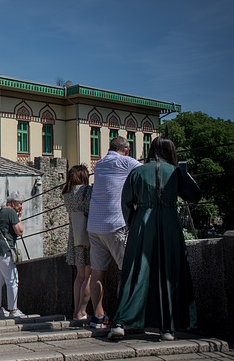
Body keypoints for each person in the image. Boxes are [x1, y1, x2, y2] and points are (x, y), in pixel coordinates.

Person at [108, 137, 200, 341]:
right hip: (170, 225)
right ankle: (167, 328)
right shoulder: (176, 172)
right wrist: (184, 174)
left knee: (135, 272)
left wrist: (135, 223)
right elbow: (194, 196)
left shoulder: (137, 171)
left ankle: (120, 323)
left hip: (142, 223)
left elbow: (126, 202)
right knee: (169, 273)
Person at [86, 136, 141, 329]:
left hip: (94, 225)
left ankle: (98, 316)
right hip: (115, 224)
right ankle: (122, 316)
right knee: (126, 271)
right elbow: (143, 173)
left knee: (97, 273)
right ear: (126, 149)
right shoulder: (127, 162)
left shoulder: (100, 164)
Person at [0, 191, 25, 319]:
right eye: (19, 204)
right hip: (3, 249)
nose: (21, 207)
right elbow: (20, 231)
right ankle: (13, 310)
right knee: (12, 279)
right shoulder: (11, 212)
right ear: (13, 203)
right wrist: (19, 217)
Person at [62, 164, 92, 320]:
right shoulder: (87, 192)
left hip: (74, 236)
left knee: (79, 276)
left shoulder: (67, 194)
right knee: (89, 275)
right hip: (87, 235)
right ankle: (82, 311)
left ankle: (75, 311)